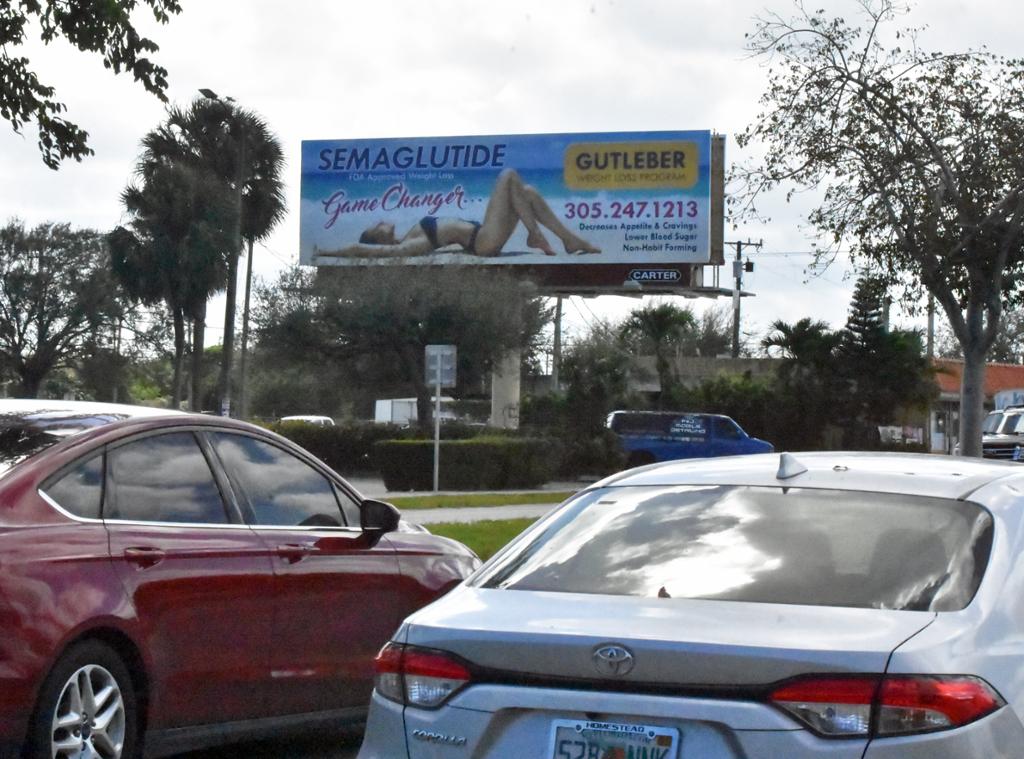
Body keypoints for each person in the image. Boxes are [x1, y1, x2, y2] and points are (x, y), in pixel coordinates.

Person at [314, 168, 600, 259]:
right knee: (508, 175)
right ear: (380, 240)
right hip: (483, 241)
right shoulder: (408, 246)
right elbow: (360, 250)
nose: (379, 222)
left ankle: (570, 239)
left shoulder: (411, 234)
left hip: (483, 234)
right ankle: (535, 234)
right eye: (376, 227)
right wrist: (325, 252)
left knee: (529, 192)